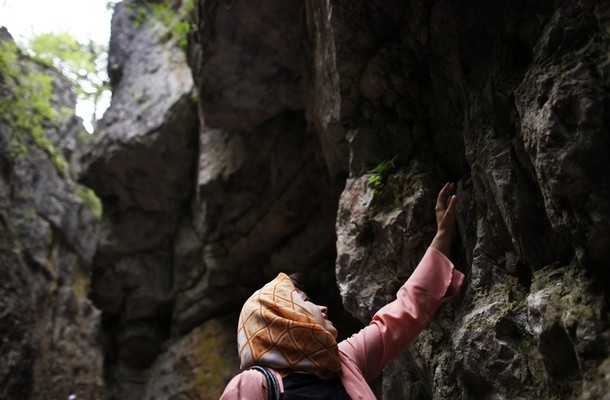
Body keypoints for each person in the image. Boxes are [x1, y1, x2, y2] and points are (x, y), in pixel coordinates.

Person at [220, 183, 464, 399]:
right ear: (282, 318)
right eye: (304, 302)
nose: (322, 307)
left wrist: (442, 238)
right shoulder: (254, 385)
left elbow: (400, 316)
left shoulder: (343, 361)